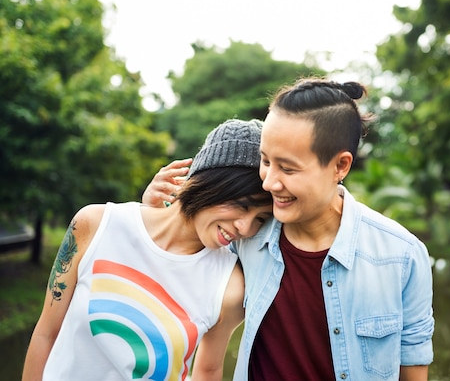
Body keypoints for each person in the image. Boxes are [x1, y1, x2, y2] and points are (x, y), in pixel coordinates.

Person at [144, 77, 435, 381]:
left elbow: (413, 370)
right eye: (266, 161)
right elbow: (168, 269)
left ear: (340, 166)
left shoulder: (403, 256)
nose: (269, 182)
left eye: (288, 168)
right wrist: (154, 215)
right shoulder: (244, 237)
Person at [22, 119, 273, 381]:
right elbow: (46, 333)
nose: (245, 228)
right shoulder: (95, 224)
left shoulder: (229, 286)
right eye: (242, 205)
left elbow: (208, 371)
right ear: (210, 181)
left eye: (260, 219)